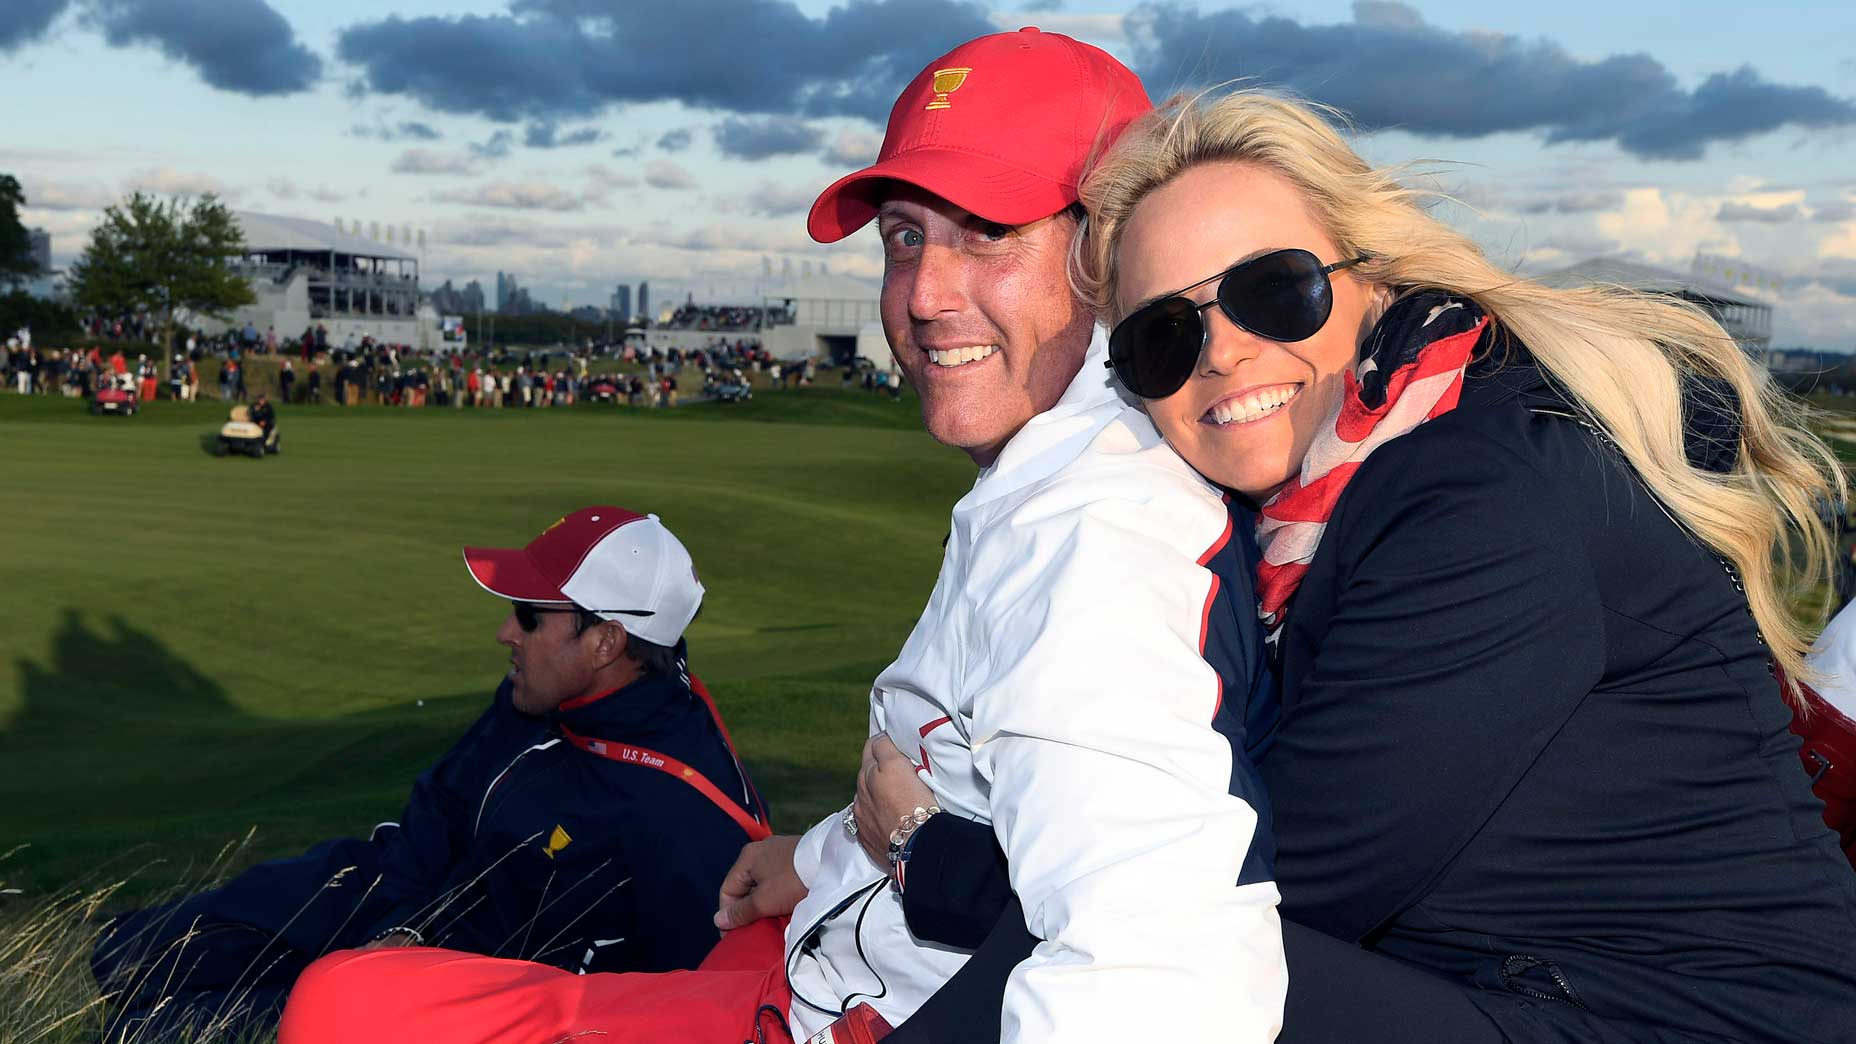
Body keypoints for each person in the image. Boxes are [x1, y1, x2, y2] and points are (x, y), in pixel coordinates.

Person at [280, 30, 1284, 1044]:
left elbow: (1158, 969)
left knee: (342, 1010)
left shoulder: (1099, 542)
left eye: (986, 231)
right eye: (903, 236)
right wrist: (822, 855)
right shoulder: (1047, 474)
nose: (924, 295)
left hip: (841, 1017)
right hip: (828, 950)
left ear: (1112, 250)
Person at [875, 90, 1856, 1044]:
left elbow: (1259, 882)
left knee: (1166, 970)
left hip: (1676, 1018)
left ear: (1372, 280)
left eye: (1272, 291)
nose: (1219, 354)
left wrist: (932, 855)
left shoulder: (1484, 492)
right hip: (1514, 987)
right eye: (1163, 335)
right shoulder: (1312, 511)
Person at [96, 508, 769, 1040]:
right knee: (128, 953)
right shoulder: (540, 698)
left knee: (151, 1029)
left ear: (606, 642)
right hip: (393, 897)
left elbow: (656, 1006)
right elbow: (440, 810)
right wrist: (402, 922)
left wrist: (410, 955)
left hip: (446, 999)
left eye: (530, 616)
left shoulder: (685, 822)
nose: (505, 632)